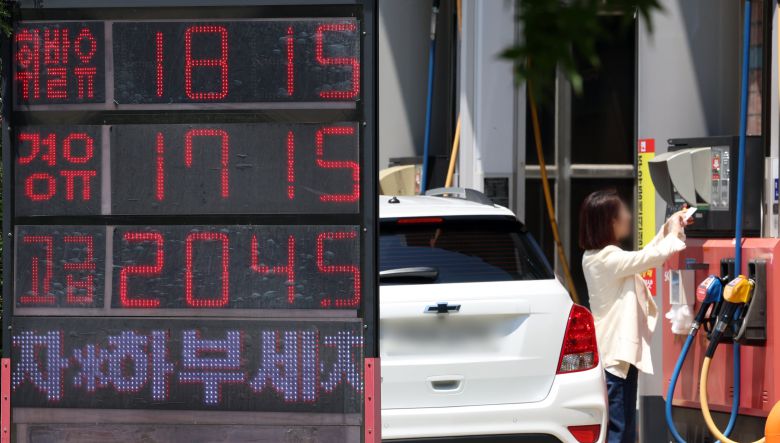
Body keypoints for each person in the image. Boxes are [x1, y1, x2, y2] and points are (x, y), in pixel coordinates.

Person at [579, 189, 689, 443]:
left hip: (618, 357)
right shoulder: (606, 259)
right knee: (620, 431)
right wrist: (672, 233)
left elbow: (644, 257)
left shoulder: (597, 257)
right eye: (622, 212)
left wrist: (670, 227)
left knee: (624, 429)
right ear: (610, 222)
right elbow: (648, 258)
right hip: (615, 359)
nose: (628, 216)